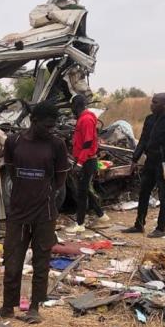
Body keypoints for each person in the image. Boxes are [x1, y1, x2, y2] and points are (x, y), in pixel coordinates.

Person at [0, 101, 70, 324]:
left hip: (44, 213)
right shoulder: (14, 142)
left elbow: (60, 179)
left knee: (41, 261)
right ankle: (7, 307)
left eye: (53, 126)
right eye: (47, 126)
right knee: (12, 261)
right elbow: (11, 171)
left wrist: (43, 194)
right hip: (18, 213)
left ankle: (34, 307)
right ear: (34, 121)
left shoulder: (57, 145)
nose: (51, 130)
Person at [122, 93, 165, 238]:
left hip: (164, 164)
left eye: (155, 102)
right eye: (152, 102)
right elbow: (143, 140)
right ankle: (139, 224)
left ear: (164, 105)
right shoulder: (149, 120)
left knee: (164, 196)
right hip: (150, 161)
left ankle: (161, 228)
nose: (151, 104)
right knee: (143, 192)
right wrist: (134, 159)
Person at [66, 95, 110, 233]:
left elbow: (88, 142)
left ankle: (80, 224)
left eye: (72, 105)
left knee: (81, 193)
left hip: (87, 161)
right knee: (84, 189)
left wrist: (79, 163)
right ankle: (101, 216)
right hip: (86, 160)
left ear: (77, 105)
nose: (71, 109)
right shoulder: (85, 118)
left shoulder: (86, 119)